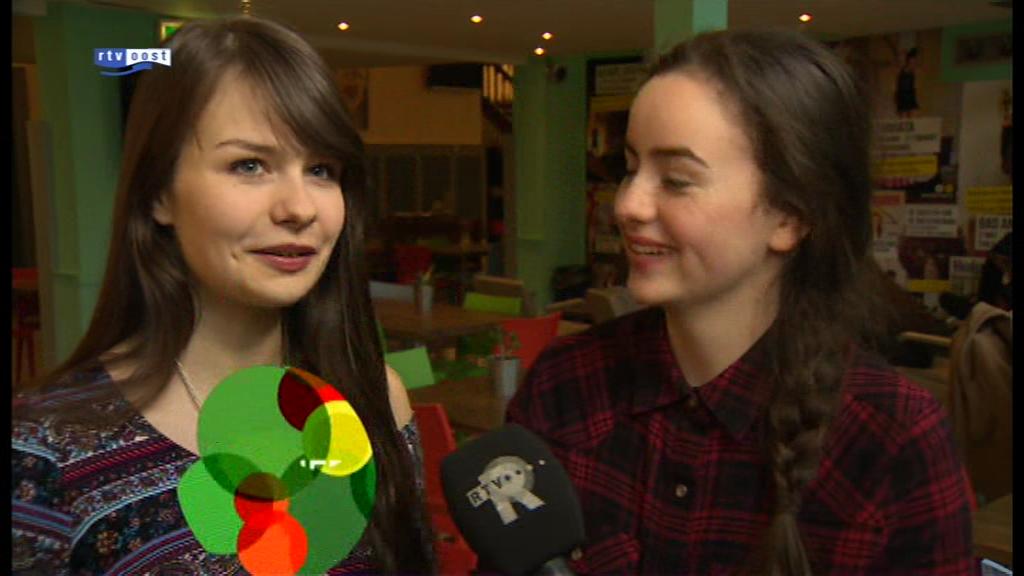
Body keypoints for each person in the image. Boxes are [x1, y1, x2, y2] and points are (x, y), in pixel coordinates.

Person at [508, 30, 976, 574]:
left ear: (791, 216)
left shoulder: (894, 438)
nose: (628, 205)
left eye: (677, 180)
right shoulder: (564, 385)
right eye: (630, 169)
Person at [12, 17, 434, 575]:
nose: (299, 208)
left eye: (321, 169)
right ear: (159, 194)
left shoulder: (376, 398)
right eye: (249, 165)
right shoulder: (49, 447)